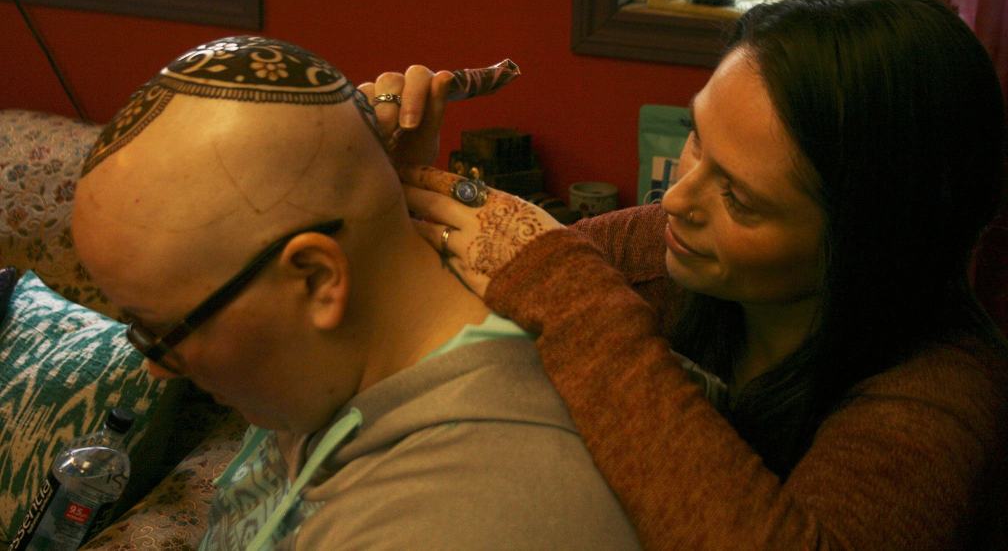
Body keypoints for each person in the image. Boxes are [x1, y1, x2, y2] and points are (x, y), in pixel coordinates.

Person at [378, 0, 1008, 549]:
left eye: (740, 198)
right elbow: (439, 308)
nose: (677, 199)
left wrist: (574, 305)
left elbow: (563, 293)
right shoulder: (666, 251)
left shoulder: (945, 400)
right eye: (697, 137)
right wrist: (393, 187)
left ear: (869, 243)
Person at [70, 36, 641, 550]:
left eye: (163, 332)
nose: (157, 371)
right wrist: (357, 176)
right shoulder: (334, 365)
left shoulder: (452, 519)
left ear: (317, 279)